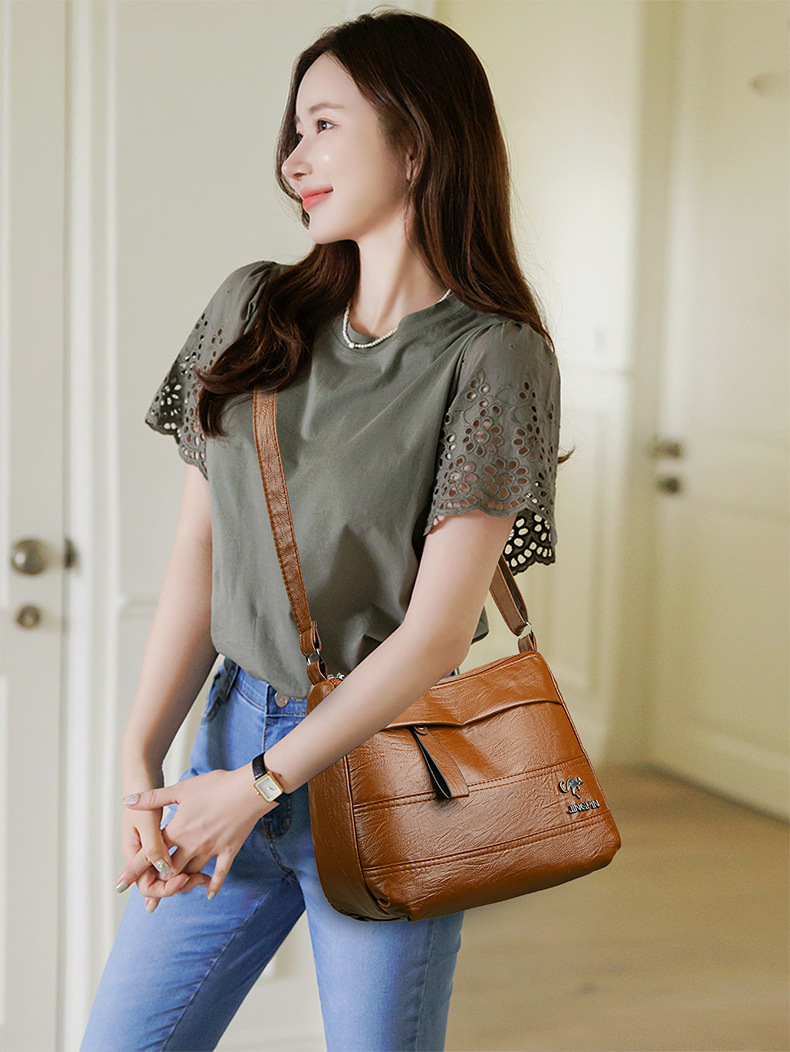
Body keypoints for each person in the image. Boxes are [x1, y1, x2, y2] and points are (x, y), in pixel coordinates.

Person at [80, 9, 562, 1052]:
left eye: (325, 125)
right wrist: (139, 757)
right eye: (294, 131)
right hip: (226, 748)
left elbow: (436, 635)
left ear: (417, 139)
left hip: (392, 774)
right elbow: (202, 553)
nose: (293, 159)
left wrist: (261, 786)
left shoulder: (493, 355)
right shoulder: (252, 308)